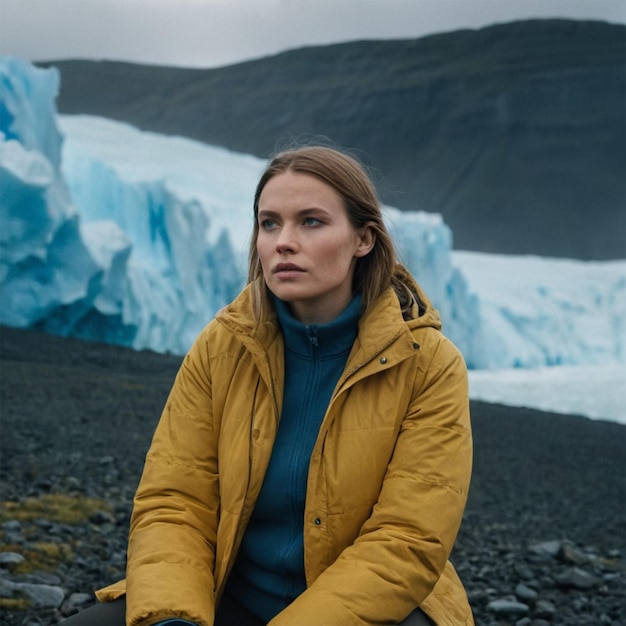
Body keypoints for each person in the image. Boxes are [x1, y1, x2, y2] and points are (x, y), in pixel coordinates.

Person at [60, 145, 473, 626]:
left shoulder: (429, 365)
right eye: (269, 223)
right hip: (226, 596)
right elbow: (175, 501)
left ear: (363, 239)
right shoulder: (222, 346)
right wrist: (176, 619)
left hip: (367, 609)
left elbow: (407, 538)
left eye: (311, 222)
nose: (283, 241)